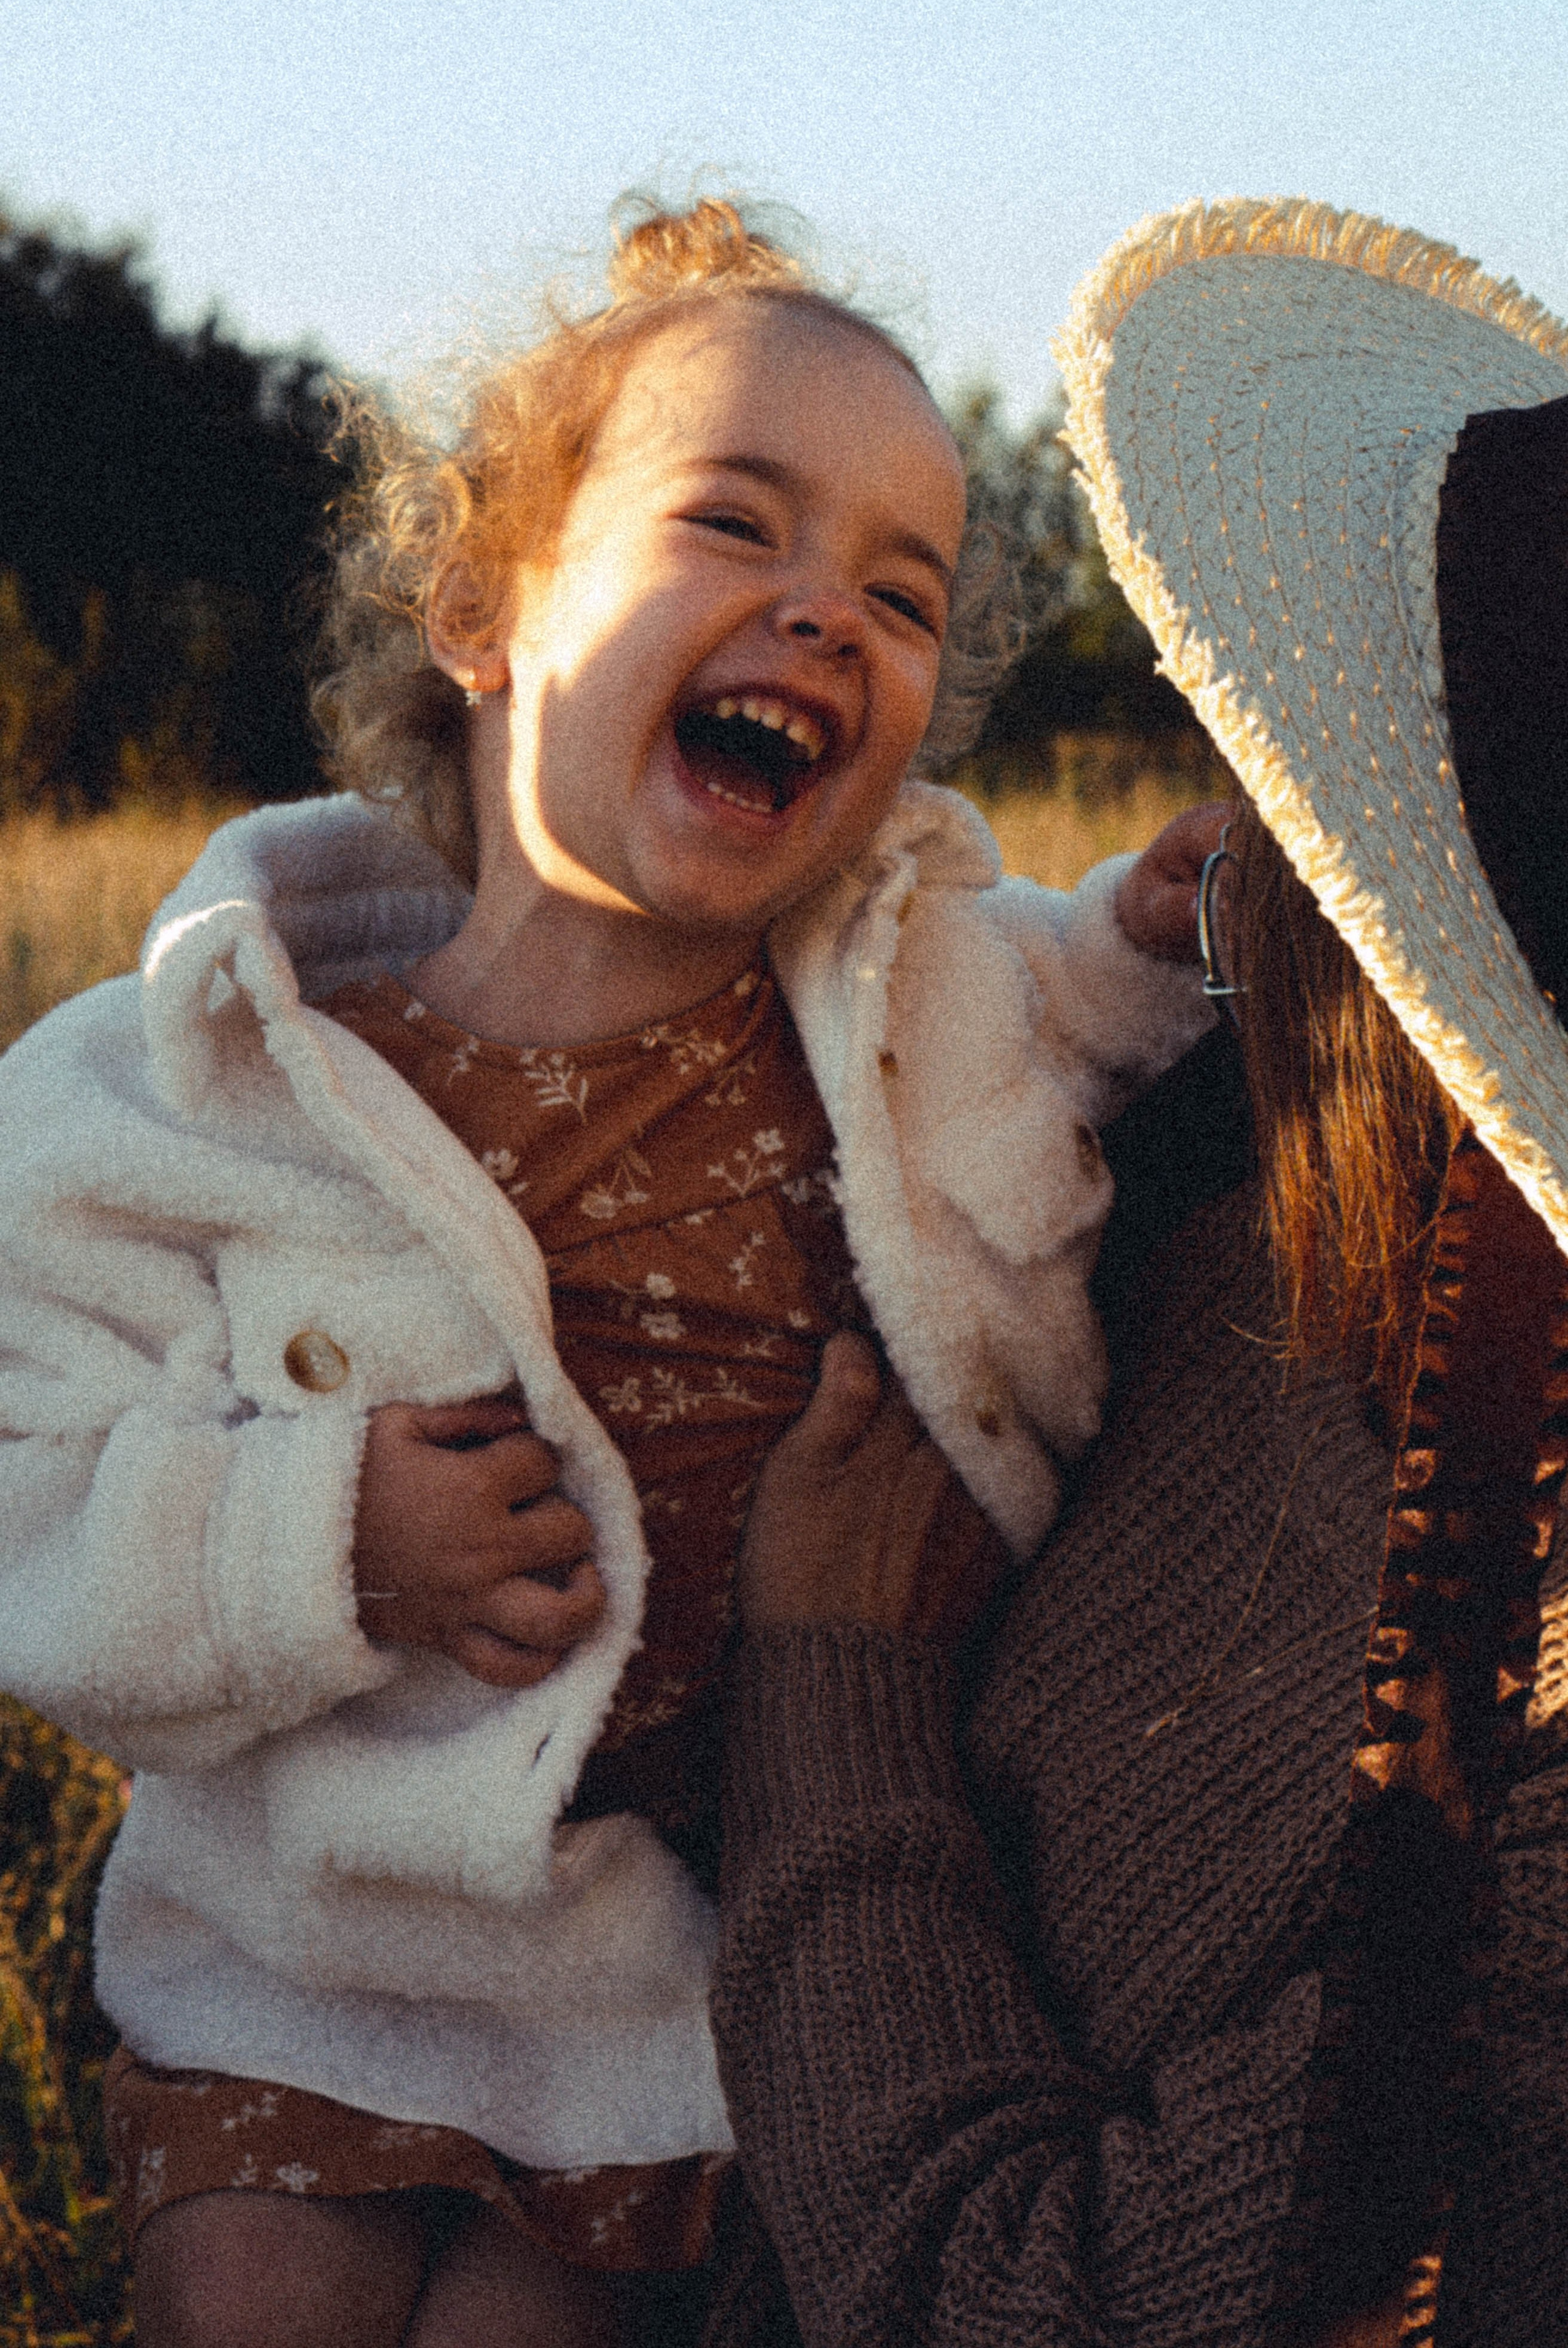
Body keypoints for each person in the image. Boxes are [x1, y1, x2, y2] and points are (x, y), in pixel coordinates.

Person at [0, 199, 1217, 2347]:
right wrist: (328, 1534)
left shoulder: (906, 986)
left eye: (901, 593)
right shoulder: (203, 1081)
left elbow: (1072, 1022)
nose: (825, 615)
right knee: (252, 2311)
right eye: (733, 526)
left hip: (684, 1964)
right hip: (314, 1953)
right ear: (484, 606)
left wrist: (1147, 930)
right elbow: (26, 1480)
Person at [709, 198, 1568, 2348]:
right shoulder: (1241, 1197)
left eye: (1305, 783)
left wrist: (836, 1679)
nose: (1237, 816)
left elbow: (1009, 2303)